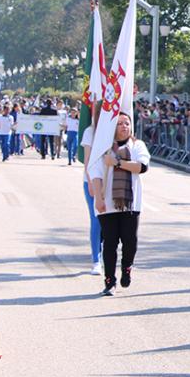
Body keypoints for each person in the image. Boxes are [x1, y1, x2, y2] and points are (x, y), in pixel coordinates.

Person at [90, 113, 151, 296]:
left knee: (130, 241)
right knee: (109, 242)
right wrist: (98, 199)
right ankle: (110, 281)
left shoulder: (137, 145)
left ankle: (127, 268)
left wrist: (117, 162)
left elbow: (142, 167)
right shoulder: (103, 147)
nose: (125, 126)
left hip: (130, 203)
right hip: (107, 203)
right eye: (120, 124)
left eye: (127, 123)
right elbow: (96, 173)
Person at [80, 106, 103, 275]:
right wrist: (90, 181)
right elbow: (87, 159)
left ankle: (105, 251)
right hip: (92, 180)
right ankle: (96, 260)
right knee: (96, 220)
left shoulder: (114, 131)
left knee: (109, 221)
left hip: (110, 182)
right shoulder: (90, 132)